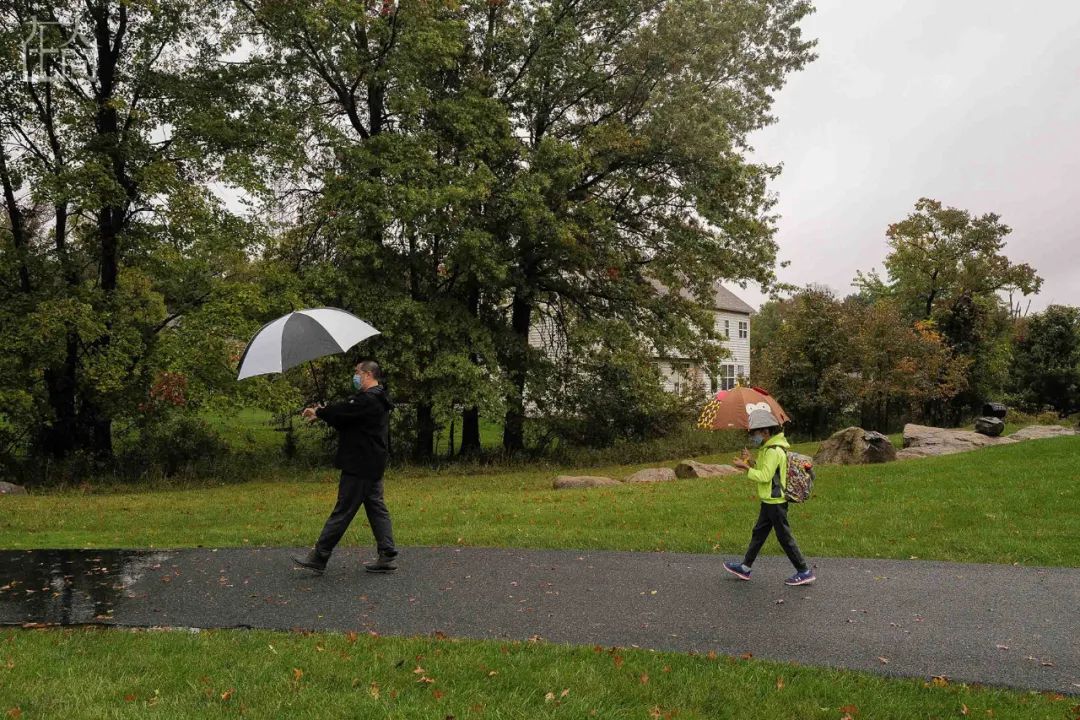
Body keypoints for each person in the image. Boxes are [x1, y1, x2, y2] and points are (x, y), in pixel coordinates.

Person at [293, 360, 398, 574]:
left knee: (343, 510)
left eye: (357, 372)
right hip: (371, 462)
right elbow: (346, 420)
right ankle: (387, 554)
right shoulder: (376, 398)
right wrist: (323, 414)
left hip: (360, 464)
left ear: (368, 374)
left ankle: (319, 555)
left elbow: (345, 410)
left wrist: (321, 412)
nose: (355, 376)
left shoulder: (369, 399)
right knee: (376, 507)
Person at [723, 409, 815, 586]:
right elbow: (767, 470)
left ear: (765, 432)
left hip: (776, 502)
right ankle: (745, 567)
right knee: (758, 534)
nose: (752, 437)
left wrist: (745, 468)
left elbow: (765, 476)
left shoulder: (774, 450)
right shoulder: (767, 448)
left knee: (784, 538)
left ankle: (804, 571)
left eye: (755, 433)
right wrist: (750, 461)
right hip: (768, 501)